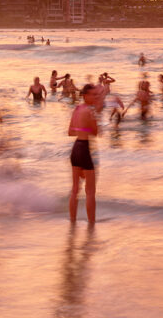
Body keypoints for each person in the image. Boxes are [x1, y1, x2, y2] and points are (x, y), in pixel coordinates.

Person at [68, 84, 100, 223]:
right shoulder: (89, 111)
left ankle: (73, 222)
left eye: (96, 94)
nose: (95, 97)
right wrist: (87, 128)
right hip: (85, 149)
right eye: (93, 94)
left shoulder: (76, 109)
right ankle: (91, 225)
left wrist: (81, 129)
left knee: (75, 189)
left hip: (76, 149)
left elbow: (70, 132)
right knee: (90, 192)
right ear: (85, 95)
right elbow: (95, 132)